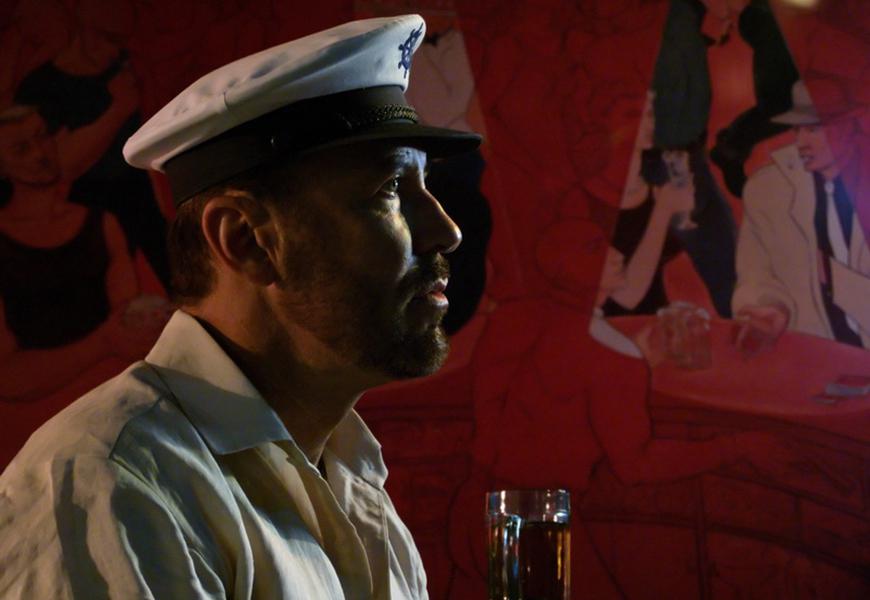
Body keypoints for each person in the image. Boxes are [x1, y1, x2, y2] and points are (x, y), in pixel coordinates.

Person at [0, 15, 480, 599]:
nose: (446, 230)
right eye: (390, 191)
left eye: (427, 188)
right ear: (247, 241)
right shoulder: (113, 490)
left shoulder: (347, 475)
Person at [0, 105, 163, 403]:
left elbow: (129, 325)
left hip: (120, 391)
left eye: (43, 137)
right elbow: (7, 377)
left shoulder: (101, 223)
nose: (39, 154)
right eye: (21, 149)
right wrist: (102, 343)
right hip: (42, 409)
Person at [732, 79, 870, 353]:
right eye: (797, 129)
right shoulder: (768, 190)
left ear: (850, 126)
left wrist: (832, 276)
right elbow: (755, 273)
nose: (801, 142)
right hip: (815, 355)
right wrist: (772, 306)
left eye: (814, 129)